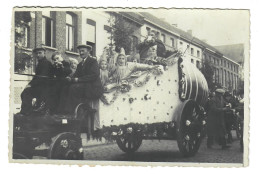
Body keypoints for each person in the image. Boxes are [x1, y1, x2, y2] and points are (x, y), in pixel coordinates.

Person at [60, 44, 103, 114]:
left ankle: (71, 111)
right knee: (65, 87)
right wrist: (70, 78)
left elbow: (94, 75)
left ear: (88, 52)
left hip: (94, 87)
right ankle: (63, 111)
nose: (81, 53)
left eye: (83, 51)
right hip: (85, 86)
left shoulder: (93, 61)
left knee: (73, 88)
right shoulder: (80, 64)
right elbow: (76, 75)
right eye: (80, 51)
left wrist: (78, 80)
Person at [20, 47, 54, 115]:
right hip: (40, 86)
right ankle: (27, 110)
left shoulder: (46, 63)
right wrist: (29, 84)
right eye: (36, 53)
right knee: (25, 92)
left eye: (40, 53)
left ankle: (26, 111)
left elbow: (41, 78)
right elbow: (36, 77)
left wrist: (31, 85)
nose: (38, 55)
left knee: (26, 92)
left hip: (45, 87)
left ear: (44, 53)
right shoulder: (40, 63)